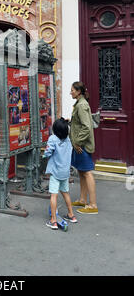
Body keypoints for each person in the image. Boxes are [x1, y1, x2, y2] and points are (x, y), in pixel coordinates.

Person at [70, 81, 98, 215]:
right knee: (81, 172)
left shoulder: (81, 105)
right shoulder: (79, 104)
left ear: (78, 92)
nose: (71, 92)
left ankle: (92, 205)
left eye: (72, 90)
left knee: (87, 172)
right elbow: (80, 124)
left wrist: (77, 142)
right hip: (79, 144)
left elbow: (86, 127)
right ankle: (82, 199)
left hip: (82, 145)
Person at [43, 118, 77, 230]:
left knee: (54, 195)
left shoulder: (53, 139)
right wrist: (67, 122)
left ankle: (53, 220)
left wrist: (44, 154)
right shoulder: (68, 139)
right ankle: (71, 215)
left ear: (55, 130)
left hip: (55, 171)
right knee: (65, 193)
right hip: (65, 172)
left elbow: (48, 152)